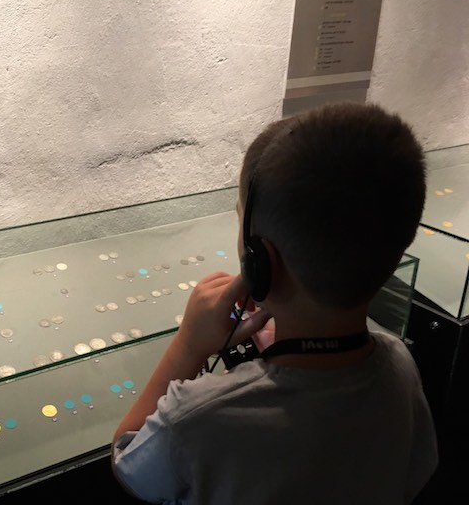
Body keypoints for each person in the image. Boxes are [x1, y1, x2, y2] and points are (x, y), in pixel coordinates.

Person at [111, 102, 438, 504]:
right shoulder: (401, 367)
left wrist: (189, 344)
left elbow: (128, 459)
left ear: (260, 260)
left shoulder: (197, 418)